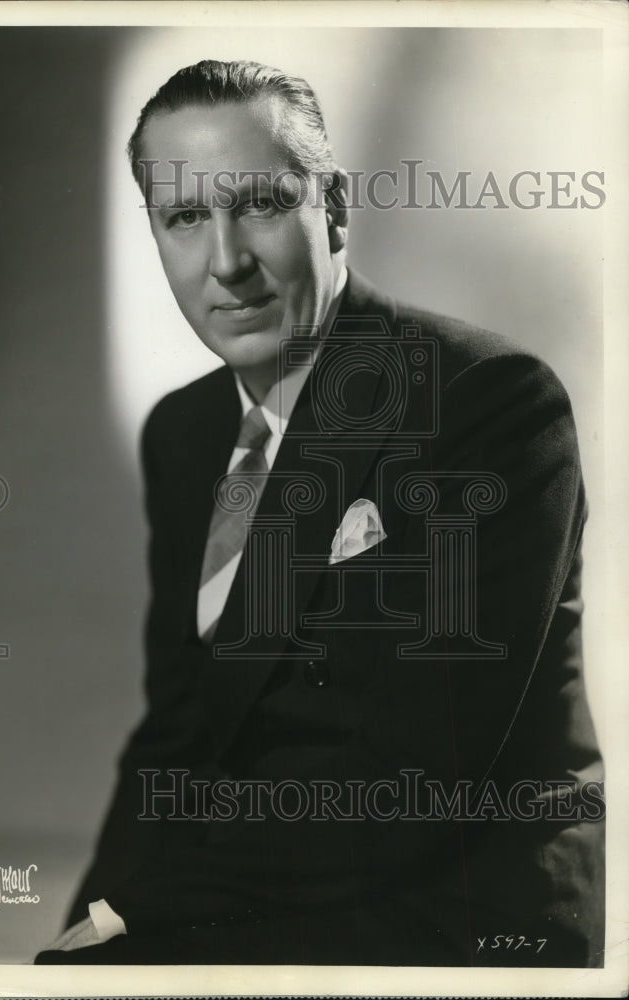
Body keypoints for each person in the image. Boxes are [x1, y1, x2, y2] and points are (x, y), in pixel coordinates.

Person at [36, 59, 604, 967]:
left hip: (457, 909)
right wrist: (82, 929)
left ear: (334, 206)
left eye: (259, 204)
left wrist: (138, 916)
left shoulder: (486, 403)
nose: (227, 262)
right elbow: (177, 739)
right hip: (267, 892)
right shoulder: (184, 433)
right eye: (185, 218)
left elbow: (417, 774)